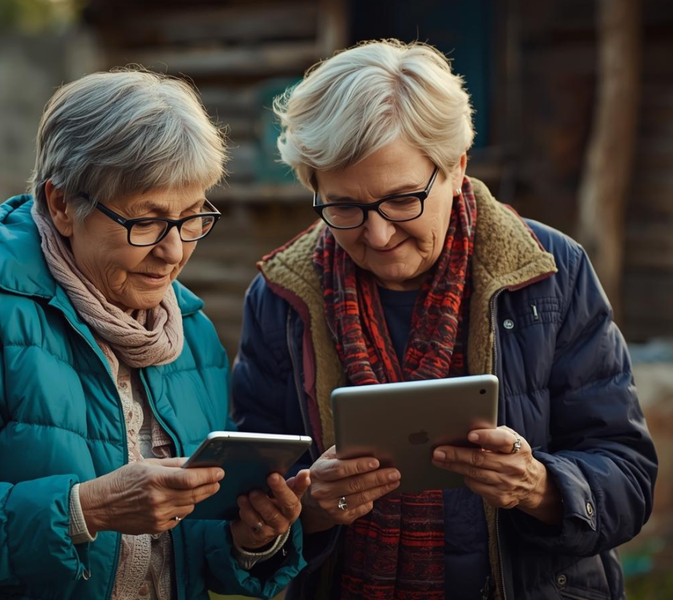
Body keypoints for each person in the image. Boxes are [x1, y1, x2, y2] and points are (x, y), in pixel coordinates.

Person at [232, 40, 657, 600]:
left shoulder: (551, 273)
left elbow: (628, 475)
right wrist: (311, 509)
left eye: (402, 199)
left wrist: (538, 486)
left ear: (456, 167)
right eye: (344, 208)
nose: (378, 234)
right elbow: (246, 512)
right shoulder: (281, 296)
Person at [0, 68, 310, 600]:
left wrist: (250, 538)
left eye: (192, 217)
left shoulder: (190, 332)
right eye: (145, 222)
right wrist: (86, 510)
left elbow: (190, 552)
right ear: (61, 205)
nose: (173, 252)